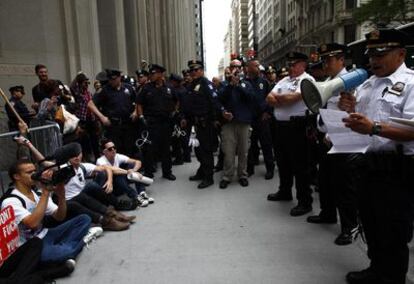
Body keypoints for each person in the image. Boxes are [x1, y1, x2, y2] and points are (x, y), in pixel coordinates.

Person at [339, 28, 414, 284]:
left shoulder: (412, 84)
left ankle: (393, 277)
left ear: (401, 53)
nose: (374, 59)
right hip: (366, 164)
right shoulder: (368, 84)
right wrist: (348, 109)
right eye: (371, 54)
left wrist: (374, 128)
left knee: (393, 229)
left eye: (381, 53)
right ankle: (376, 269)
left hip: (397, 168)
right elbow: (359, 121)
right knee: (370, 222)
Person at [306, 43, 360, 246]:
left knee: (344, 187)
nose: (325, 63)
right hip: (327, 140)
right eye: (324, 60)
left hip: (345, 142)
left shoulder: (352, 82)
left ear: (341, 60)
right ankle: (327, 213)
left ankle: (349, 227)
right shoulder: (328, 81)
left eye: (329, 59)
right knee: (325, 180)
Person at [0, 159, 91, 263]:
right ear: (17, 176)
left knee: (84, 219)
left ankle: (64, 247)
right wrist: (46, 192)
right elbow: (32, 223)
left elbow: (59, 216)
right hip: (32, 245)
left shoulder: (35, 192)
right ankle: (80, 242)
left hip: (46, 233)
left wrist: (61, 196)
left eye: (34, 171)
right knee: (66, 252)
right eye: (29, 172)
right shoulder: (11, 201)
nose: (34, 174)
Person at [266, 52, 315, 216]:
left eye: (294, 64)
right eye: (290, 64)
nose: (291, 67)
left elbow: (293, 98)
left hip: (298, 126)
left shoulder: (307, 80)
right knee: (283, 161)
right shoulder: (284, 80)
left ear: (303, 65)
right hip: (280, 126)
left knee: (300, 165)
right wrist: (283, 98)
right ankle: (285, 191)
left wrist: (279, 98)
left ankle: (304, 201)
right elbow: (268, 98)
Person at [180, 60, 220, 189]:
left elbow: (214, 102)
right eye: (191, 70)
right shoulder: (192, 85)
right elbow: (188, 104)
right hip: (195, 123)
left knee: (206, 151)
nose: (193, 72)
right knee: (198, 150)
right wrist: (185, 117)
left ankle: (209, 178)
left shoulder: (206, 84)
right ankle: (202, 171)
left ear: (202, 71)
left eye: (196, 70)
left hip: (206, 123)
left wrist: (214, 120)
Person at [218, 59, 256, 189]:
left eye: (238, 67)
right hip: (228, 123)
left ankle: (242, 175)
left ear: (242, 69)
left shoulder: (247, 84)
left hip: (244, 123)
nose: (236, 69)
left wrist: (238, 85)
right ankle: (227, 176)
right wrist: (231, 85)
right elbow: (220, 99)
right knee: (228, 151)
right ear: (230, 68)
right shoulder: (224, 84)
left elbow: (251, 99)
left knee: (243, 151)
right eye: (234, 67)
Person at [135, 64, 177, 181]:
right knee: (149, 149)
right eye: (150, 74)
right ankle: (149, 172)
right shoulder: (147, 88)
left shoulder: (169, 88)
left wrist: (174, 111)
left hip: (166, 122)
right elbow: (139, 103)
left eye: (153, 74)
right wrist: (141, 116)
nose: (151, 76)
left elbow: (177, 100)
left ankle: (167, 172)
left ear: (160, 74)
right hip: (152, 123)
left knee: (166, 149)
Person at [88, 69, 137, 157]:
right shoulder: (105, 90)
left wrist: (135, 111)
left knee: (130, 150)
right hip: (114, 126)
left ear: (119, 78)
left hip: (128, 124)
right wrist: (102, 117)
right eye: (110, 79)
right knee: (116, 152)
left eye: (114, 79)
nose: (111, 81)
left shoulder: (128, 88)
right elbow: (90, 104)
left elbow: (138, 102)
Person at [97, 138, 154, 207]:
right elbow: (113, 170)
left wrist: (134, 170)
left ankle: (142, 193)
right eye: (110, 149)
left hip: (120, 185)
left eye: (114, 147)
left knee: (132, 165)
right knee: (118, 175)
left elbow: (137, 162)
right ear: (104, 151)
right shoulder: (100, 161)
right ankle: (135, 197)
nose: (113, 150)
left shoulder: (118, 156)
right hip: (110, 189)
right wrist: (128, 172)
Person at [245, 60, 275, 180]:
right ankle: (250, 169)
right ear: (249, 68)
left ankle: (270, 169)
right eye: (256, 66)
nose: (259, 67)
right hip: (250, 119)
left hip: (262, 118)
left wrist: (268, 112)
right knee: (251, 146)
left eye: (258, 66)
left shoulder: (264, 82)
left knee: (266, 145)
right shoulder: (244, 83)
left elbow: (271, 98)